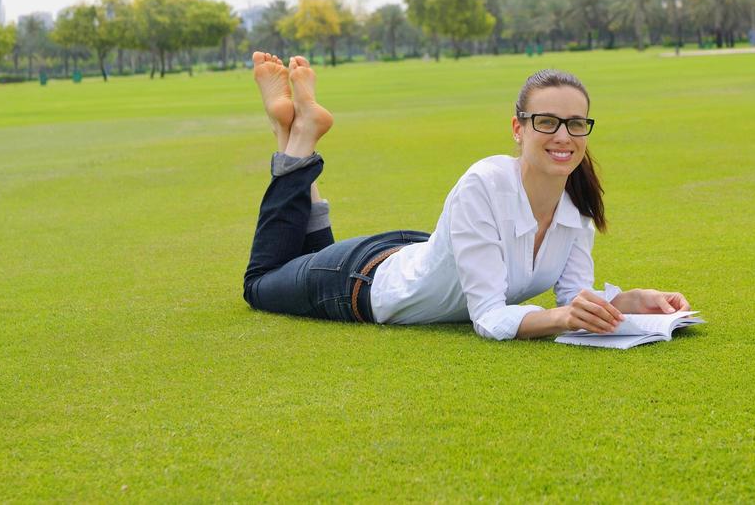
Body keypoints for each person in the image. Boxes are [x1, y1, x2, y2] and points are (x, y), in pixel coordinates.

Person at [242, 52, 691, 340]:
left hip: (412, 252)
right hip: (361, 281)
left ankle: (292, 131)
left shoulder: (577, 208)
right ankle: (299, 133)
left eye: (576, 123)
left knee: (308, 255)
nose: (563, 135)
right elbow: (490, 317)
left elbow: (574, 298)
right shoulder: (484, 183)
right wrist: (561, 320)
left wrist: (627, 302)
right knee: (262, 281)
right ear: (518, 128)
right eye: (546, 122)